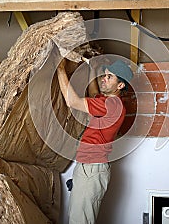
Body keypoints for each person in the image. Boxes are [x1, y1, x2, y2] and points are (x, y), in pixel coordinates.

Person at [56, 57, 133, 224]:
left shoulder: (112, 104)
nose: (104, 79)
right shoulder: (108, 102)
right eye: (104, 75)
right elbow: (92, 94)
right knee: (77, 218)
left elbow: (72, 101)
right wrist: (92, 67)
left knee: (80, 221)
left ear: (120, 86)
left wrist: (60, 68)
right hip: (88, 167)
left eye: (109, 77)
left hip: (92, 170)